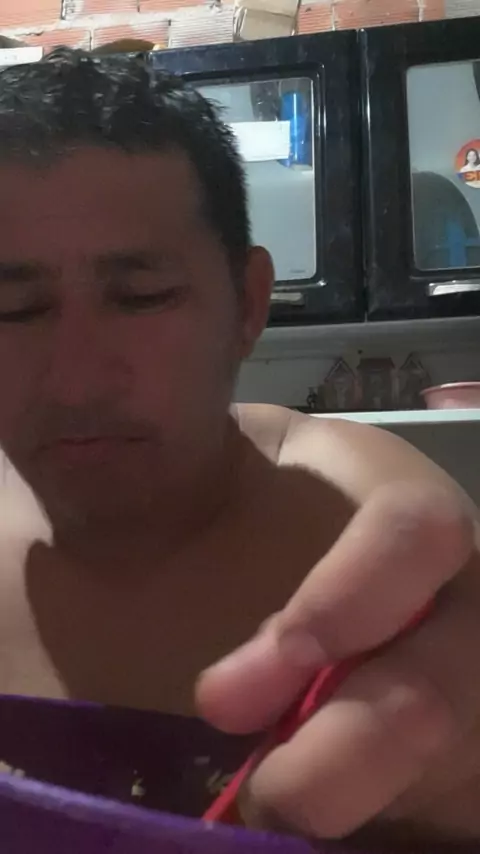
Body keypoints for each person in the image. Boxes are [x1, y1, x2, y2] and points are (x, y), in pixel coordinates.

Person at [0, 47, 478, 846]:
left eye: (142, 297)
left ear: (249, 304)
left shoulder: (340, 518)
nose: (75, 381)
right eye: (12, 309)